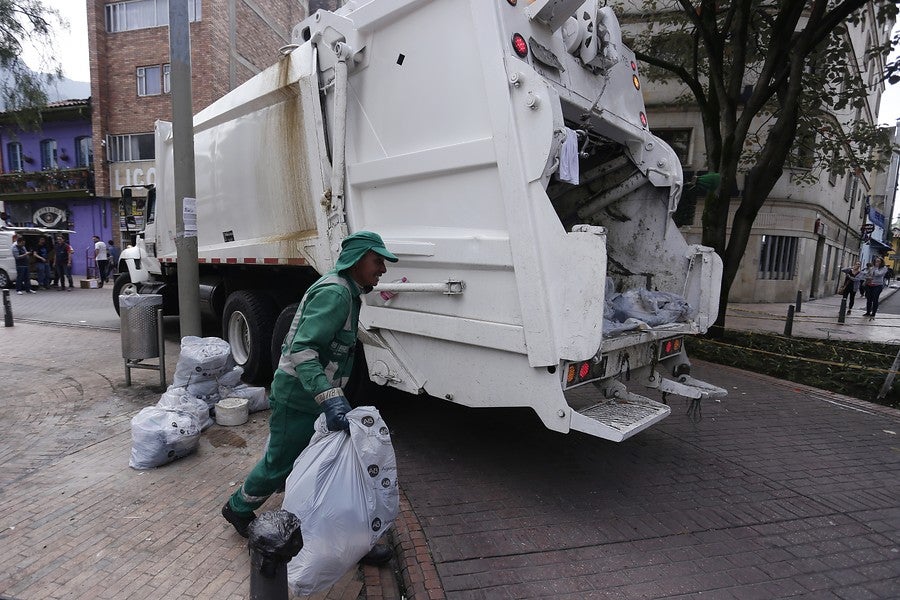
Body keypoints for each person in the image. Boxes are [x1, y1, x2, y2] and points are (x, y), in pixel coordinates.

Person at [221, 230, 398, 566]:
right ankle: (238, 507)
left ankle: (347, 538)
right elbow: (302, 349)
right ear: (359, 260)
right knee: (280, 463)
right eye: (378, 261)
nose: (383, 270)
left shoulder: (347, 291)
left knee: (326, 468)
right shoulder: (335, 293)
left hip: (312, 397)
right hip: (298, 397)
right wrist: (330, 398)